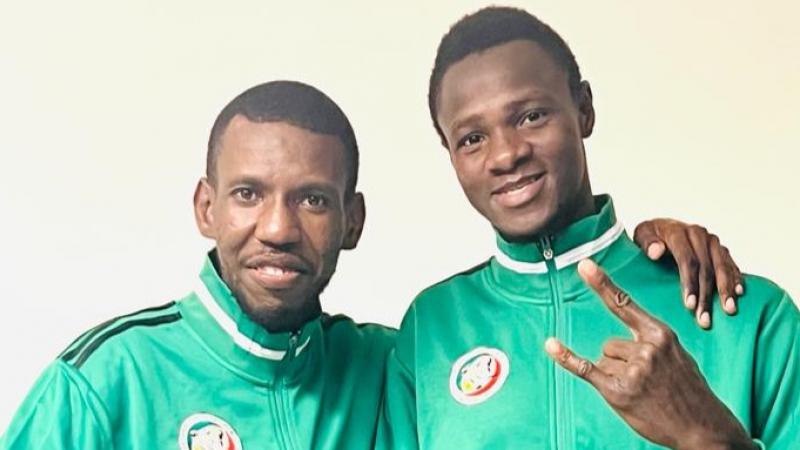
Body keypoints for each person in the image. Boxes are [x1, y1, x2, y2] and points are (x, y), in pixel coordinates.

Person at [0, 81, 745, 449]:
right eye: (249, 194)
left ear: (353, 221)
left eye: (313, 200)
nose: (278, 229)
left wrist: (641, 251)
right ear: (206, 207)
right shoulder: (103, 382)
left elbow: (532, 328)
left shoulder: (397, 362)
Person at [379, 6, 798, 450]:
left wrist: (711, 438)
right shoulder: (431, 329)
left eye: (530, 116)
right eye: (472, 139)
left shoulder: (750, 316)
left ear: (584, 110)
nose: (505, 155)